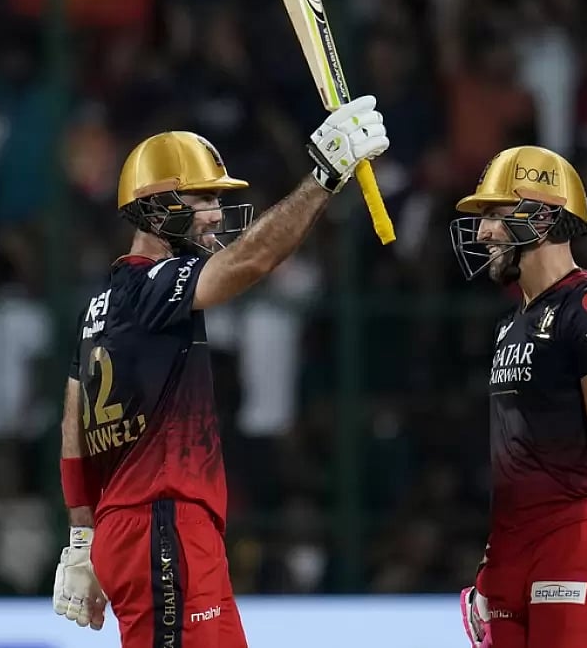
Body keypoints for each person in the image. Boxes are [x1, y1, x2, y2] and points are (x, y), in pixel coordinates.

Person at [51, 97, 389, 648]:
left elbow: (73, 423)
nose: (215, 213)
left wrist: (83, 535)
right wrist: (325, 176)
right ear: (157, 209)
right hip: (164, 523)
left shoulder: (103, 305)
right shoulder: (155, 284)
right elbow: (252, 262)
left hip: (142, 527)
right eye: (203, 197)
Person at [449, 146, 587, 648]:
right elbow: (515, 461)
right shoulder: (508, 327)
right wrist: (488, 564)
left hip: (573, 542)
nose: (482, 233)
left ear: (540, 217)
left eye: (496, 215)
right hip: (510, 551)